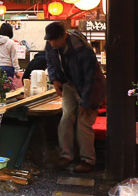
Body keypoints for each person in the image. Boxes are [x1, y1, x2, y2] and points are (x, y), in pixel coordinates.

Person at [44, 21, 106, 173]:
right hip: (69, 84)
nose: (51, 43)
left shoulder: (82, 49)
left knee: (83, 122)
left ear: (64, 36)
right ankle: (66, 156)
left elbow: (90, 78)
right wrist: (55, 79)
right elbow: (50, 63)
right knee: (66, 118)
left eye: (54, 40)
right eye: (49, 40)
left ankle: (88, 161)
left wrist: (85, 101)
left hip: (91, 87)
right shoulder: (50, 45)